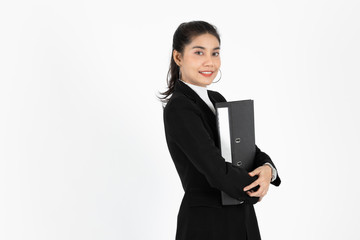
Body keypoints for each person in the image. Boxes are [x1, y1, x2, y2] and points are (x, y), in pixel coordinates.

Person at [158, 21, 281, 240]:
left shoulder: (217, 100)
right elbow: (215, 170)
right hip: (207, 225)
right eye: (199, 52)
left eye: (215, 53)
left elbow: (247, 150)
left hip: (241, 219)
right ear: (178, 57)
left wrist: (267, 169)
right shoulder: (180, 107)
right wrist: (255, 188)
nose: (209, 62)